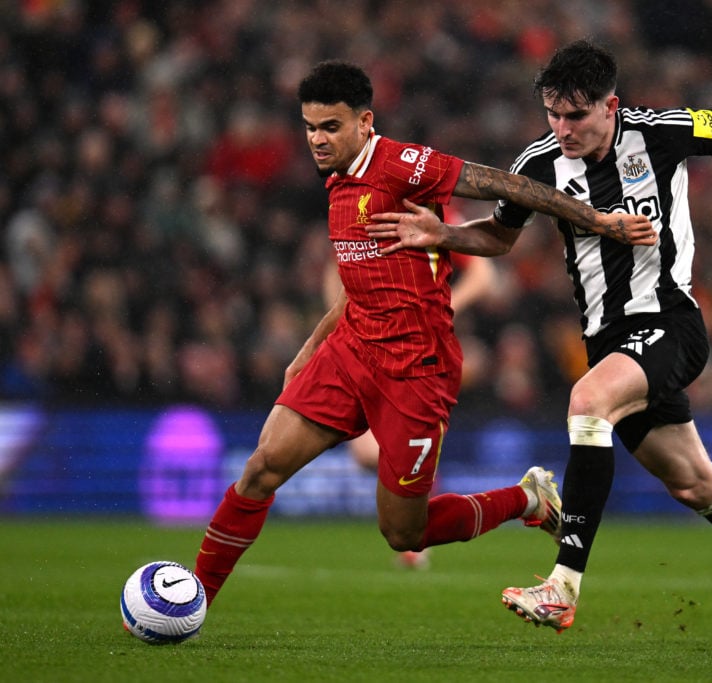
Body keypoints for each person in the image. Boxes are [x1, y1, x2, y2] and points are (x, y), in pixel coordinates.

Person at [368, 39, 712, 642]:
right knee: (694, 483)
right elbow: (498, 236)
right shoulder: (538, 164)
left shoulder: (660, 131)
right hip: (608, 341)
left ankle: (562, 587)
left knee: (587, 403)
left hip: (670, 322)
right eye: (553, 114)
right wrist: (441, 233)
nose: (562, 128)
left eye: (576, 115)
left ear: (610, 105)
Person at [192, 59, 656, 607]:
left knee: (403, 533)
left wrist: (598, 220)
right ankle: (193, 596)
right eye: (310, 127)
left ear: (365, 122)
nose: (317, 140)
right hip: (351, 351)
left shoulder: (403, 165)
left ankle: (528, 500)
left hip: (417, 367)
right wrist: (310, 349)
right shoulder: (338, 181)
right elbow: (357, 281)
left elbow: (508, 185)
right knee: (261, 469)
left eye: (331, 127)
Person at [321, 249, 498, 569]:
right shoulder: (367, 215)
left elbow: (484, 276)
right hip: (370, 340)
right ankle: (420, 481)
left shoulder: (433, 213)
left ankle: (418, 512)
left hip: (419, 346)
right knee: (366, 453)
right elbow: (335, 270)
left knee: (387, 447)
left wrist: (440, 310)